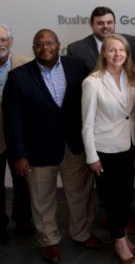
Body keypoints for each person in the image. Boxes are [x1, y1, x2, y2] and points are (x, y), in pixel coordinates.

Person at [2, 29, 101, 262]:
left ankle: (82, 233)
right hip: (37, 150)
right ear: (33, 48)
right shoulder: (19, 77)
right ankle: (49, 240)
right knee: (42, 198)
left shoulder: (77, 66)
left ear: (58, 44)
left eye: (49, 43)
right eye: (39, 44)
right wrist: (18, 155)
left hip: (73, 145)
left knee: (80, 194)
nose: (45, 48)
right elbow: (12, 121)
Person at [81, 34, 135, 264]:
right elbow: (86, 124)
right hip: (105, 150)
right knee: (113, 200)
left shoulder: (132, 77)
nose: (117, 54)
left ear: (127, 54)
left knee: (125, 197)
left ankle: (123, 236)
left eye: (122, 50)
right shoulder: (92, 82)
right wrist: (91, 156)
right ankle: (118, 242)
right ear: (104, 53)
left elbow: (133, 114)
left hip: (129, 144)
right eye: (112, 50)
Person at [0, 23, 33, 241]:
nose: (0, 44)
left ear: (11, 41)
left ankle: (23, 221)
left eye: (4, 39)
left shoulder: (26, 65)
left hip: (21, 133)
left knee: (23, 181)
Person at [67, 6, 135, 71]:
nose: (105, 26)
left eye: (109, 22)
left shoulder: (131, 42)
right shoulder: (76, 49)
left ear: (115, 23)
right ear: (91, 24)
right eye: (100, 23)